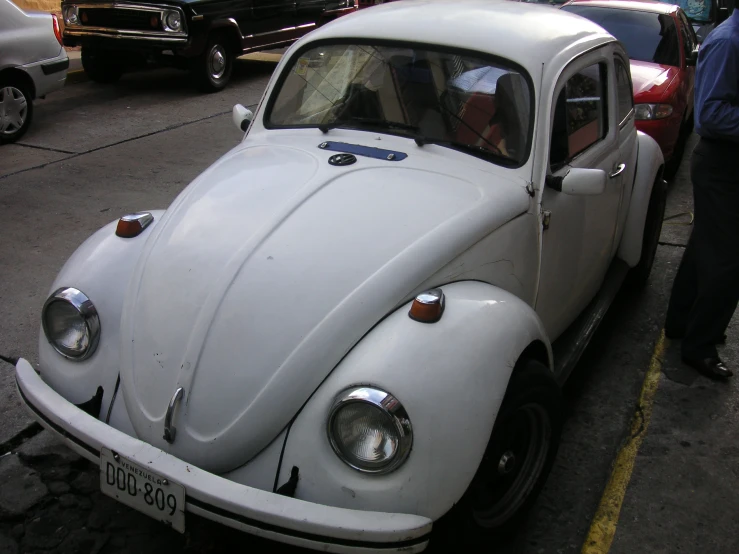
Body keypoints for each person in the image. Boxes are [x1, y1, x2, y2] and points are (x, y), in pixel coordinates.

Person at [663, 6, 739, 380]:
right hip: (722, 166)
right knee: (728, 262)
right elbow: (711, 115)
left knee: (702, 249)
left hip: (729, 165)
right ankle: (700, 346)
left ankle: (680, 323)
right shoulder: (727, 41)